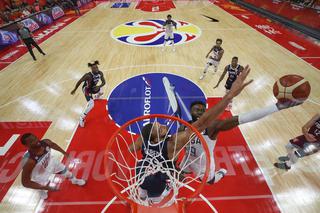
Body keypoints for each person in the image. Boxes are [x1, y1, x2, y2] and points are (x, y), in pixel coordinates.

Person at [129, 65, 253, 203]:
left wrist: (145, 144)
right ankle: (145, 192)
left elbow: (131, 148)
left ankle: (146, 193)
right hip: (158, 174)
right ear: (155, 137)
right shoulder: (172, 143)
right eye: (159, 128)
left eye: (160, 124)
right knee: (164, 181)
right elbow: (202, 123)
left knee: (204, 180)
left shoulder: (145, 140)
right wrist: (229, 96)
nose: (163, 125)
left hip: (147, 172)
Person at [180, 99, 302, 184]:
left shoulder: (213, 126)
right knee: (179, 172)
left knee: (210, 182)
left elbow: (241, 119)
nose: (200, 112)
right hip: (188, 159)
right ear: (191, 112)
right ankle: (180, 176)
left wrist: (276, 107)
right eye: (197, 110)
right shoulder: (184, 126)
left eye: (203, 110)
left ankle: (222, 172)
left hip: (203, 164)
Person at [21, 133, 85, 200]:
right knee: (41, 186)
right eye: (31, 141)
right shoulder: (28, 161)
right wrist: (45, 187)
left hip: (51, 163)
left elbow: (54, 145)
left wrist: (65, 153)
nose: (36, 140)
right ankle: (41, 191)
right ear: (26, 145)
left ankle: (74, 180)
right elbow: (25, 183)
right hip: (40, 174)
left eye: (35, 137)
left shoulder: (46, 142)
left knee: (67, 173)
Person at [70, 60, 106, 127]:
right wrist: (74, 89)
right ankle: (82, 118)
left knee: (101, 91)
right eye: (94, 68)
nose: (96, 69)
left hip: (93, 88)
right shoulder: (88, 76)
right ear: (91, 69)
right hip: (87, 89)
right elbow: (79, 81)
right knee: (91, 104)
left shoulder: (100, 73)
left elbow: (104, 82)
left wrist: (98, 86)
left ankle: (96, 96)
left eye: (97, 67)